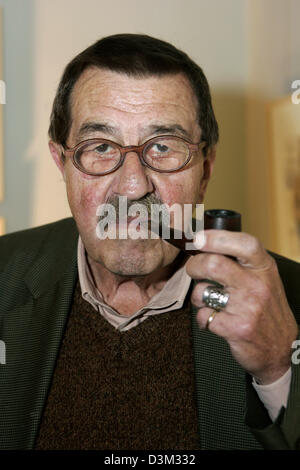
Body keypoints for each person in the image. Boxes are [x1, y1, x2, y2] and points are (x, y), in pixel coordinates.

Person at [0, 33, 299, 451]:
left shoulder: (291, 296)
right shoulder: (3, 274)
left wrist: (278, 369)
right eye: (101, 147)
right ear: (62, 164)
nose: (133, 187)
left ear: (205, 170)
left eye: (163, 146)